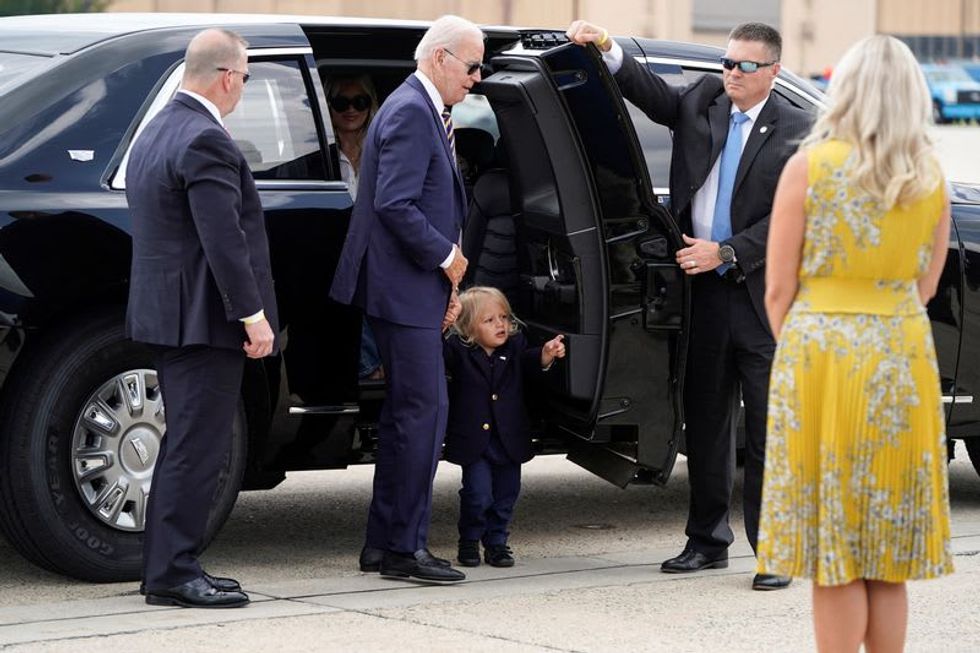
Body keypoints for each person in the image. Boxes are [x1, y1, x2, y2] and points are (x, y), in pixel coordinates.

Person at [566, 20, 812, 591]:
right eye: (726, 62)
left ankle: (775, 551)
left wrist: (726, 250)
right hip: (701, 295)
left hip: (761, 295)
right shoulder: (705, 99)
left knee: (769, 431)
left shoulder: (802, 129)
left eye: (744, 66)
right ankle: (706, 542)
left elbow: (797, 218)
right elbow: (651, 94)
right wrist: (609, 49)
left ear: (772, 72)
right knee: (704, 423)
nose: (730, 73)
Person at [758, 35, 954, 651]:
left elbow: (777, 289)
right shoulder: (928, 174)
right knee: (886, 549)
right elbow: (925, 284)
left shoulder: (811, 165)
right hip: (900, 351)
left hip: (821, 350)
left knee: (832, 545)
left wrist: (808, 344)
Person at [126, 29, 277, 608]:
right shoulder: (205, 138)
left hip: (169, 315)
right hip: (204, 320)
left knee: (184, 442)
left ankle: (169, 565)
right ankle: (173, 573)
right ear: (227, 76)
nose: (241, 88)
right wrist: (253, 316)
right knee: (197, 447)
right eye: (244, 77)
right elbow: (224, 240)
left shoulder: (156, 129)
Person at [329, 15, 482, 583]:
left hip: (409, 289)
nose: (476, 78)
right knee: (424, 418)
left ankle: (382, 544)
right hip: (403, 289)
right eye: (471, 66)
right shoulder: (413, 111)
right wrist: (446, 258)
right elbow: (396, 205)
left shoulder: (415, 108)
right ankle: (404, 550)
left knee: (404, 420)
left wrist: (445, 282)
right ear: (440, 58)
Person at [443, 287, 566, 568]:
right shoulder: (458, 351)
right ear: (468, 328)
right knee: (478, 493)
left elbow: (529, 363)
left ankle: (497, 542)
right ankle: (470, 540)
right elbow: (438, 357)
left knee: (506, 495)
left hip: (508, 439)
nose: (500, 325)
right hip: (475, 442)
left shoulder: (515, 346)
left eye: (504, 317)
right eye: (489, 320)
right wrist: (442, 326)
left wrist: (546, 354)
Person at [324, 74, 385, 380]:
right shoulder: (318, 152)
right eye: (340, 102)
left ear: (370, 105)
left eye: (359, 101)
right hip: (332, 247)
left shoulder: (385, 150)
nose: (350, 110)